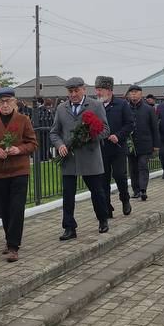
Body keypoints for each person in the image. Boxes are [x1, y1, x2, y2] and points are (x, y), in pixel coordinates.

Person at [49, 76, 111, 240]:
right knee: (68, 194)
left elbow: (105, 130)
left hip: (90, 156)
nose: (73, 94)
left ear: (84, 89)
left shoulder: (95, 105)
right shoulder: (62, 108)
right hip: (69, 157)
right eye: (70, 91)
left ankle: (103, 219)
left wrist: (90, 135)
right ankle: (69, 227)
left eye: (76, 90)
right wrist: (60, 145)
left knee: (97, 192)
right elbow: (54, 132)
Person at [0, 86, 36, 262]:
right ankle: (9, 240)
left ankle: (14, 246)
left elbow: (33, 144)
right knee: (4, 209)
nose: (4, 105)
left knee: (16, 208)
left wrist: (19, 149)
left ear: (14, 102)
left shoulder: (23, 120)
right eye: (1, 101)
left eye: (8, 101)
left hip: (19, 171)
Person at [95, 76, 135, 218]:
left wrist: (118, 135)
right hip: (101, 149)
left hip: (118, 147)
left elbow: (130, 123)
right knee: (103, 180)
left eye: (101, 90)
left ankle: (125, 199)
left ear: (109, 90)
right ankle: (107, 207)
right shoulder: (95, 106)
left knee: (119, 175)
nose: (98, 93)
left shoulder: (122, 104)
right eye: (97, 90)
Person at [126, 86, 158, 201]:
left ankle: (143, 189)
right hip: (130, 144)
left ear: (141, 94)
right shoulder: (126, 108)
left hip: (145, 143)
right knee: (133, 168)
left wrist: (156, 145)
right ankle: (136, 190)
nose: (133, 95)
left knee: (143, 166)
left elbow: (154, 127)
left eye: (136, 92)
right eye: (132, 93)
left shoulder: (148, 109)